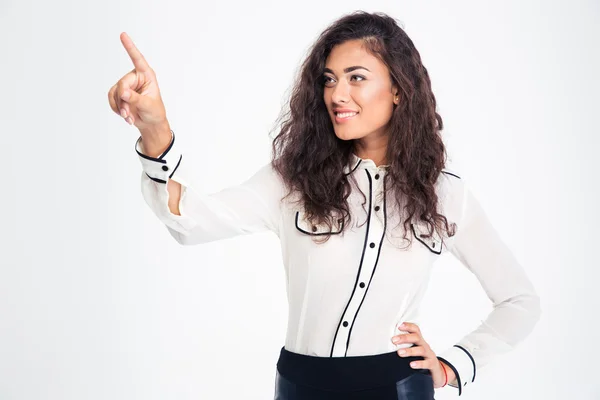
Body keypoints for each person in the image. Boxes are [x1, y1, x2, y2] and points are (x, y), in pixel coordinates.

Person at [108, 11, 541, 400]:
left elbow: (519, 302)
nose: (337, 93)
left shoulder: (444, 194)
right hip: (302, 384)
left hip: (396, 386)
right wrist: (156, 130)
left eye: (356, 77)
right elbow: (189, 223)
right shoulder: (291, 180)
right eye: (329, 79)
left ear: (398, 89)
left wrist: (452, 367)